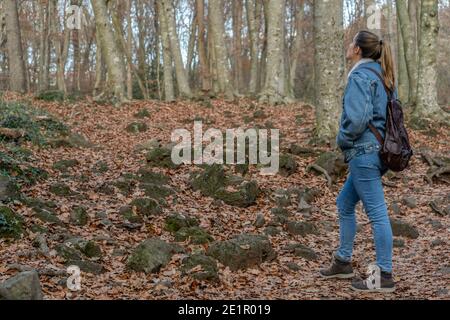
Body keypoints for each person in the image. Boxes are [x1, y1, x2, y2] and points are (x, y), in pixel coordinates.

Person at [319, 30, 397, 293]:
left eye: (352, 41)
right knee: (344, 203)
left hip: (364, 153)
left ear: (358, 50)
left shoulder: (360, 76)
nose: (349, 44)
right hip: (378, 151)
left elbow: (357, 119)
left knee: (377, 214)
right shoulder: (382, 74)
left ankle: (384, 274)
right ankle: (342, 261)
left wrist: (342, 138)